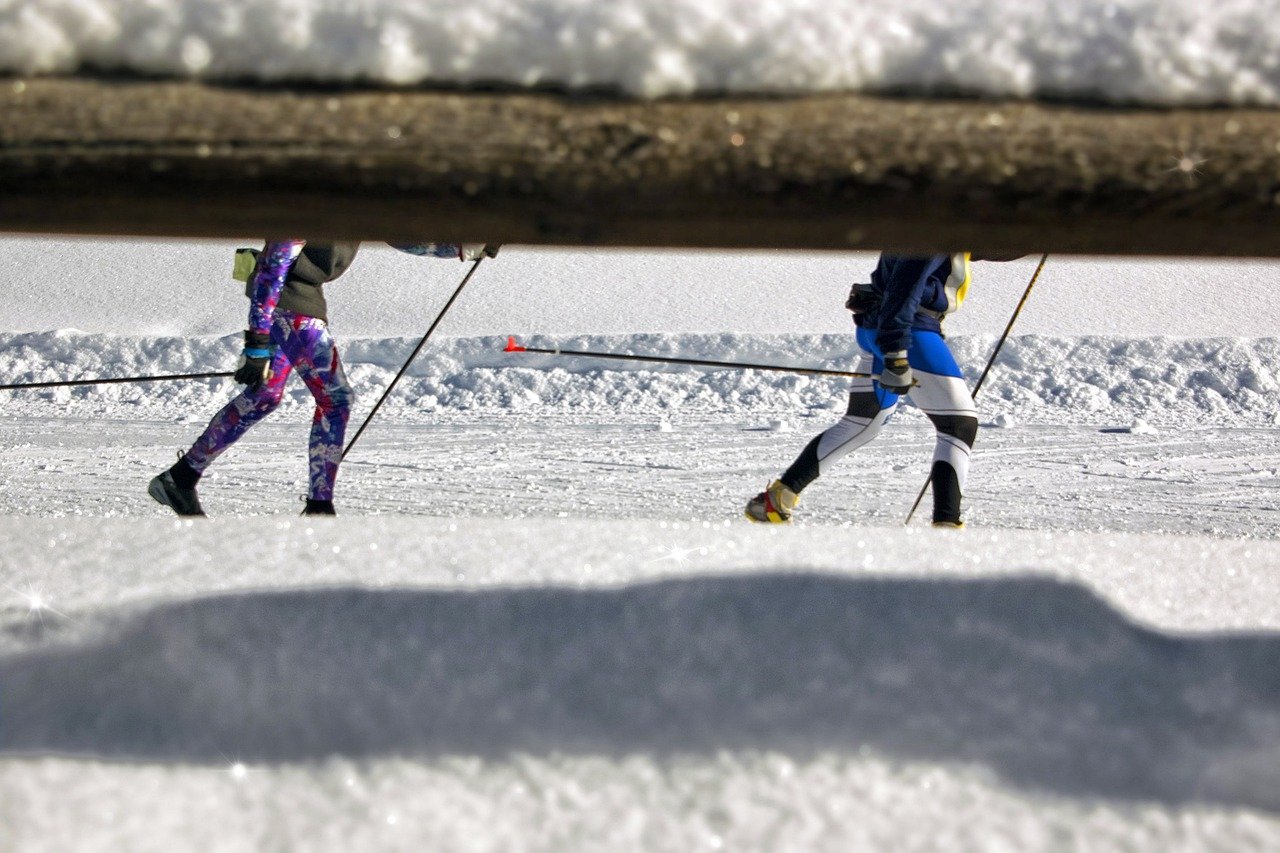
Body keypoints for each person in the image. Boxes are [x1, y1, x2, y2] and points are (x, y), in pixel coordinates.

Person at [148, 239, 497, 517]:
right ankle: (319, 508)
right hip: (284, 299)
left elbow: (401, 236)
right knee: (336, 398)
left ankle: (179, 478)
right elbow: (272, 265)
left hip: (301, 298)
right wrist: (256, 343)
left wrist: (465, 247)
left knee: (265, 396)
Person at [745, 252, 1014, 528]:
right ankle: (946, 529)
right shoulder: (932, 220)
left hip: (879, 328)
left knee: (861, 422)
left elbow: (985, 245)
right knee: (959, 426)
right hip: (909, 331)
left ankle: (777, 499)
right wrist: (895, 353)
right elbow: (905, 287)